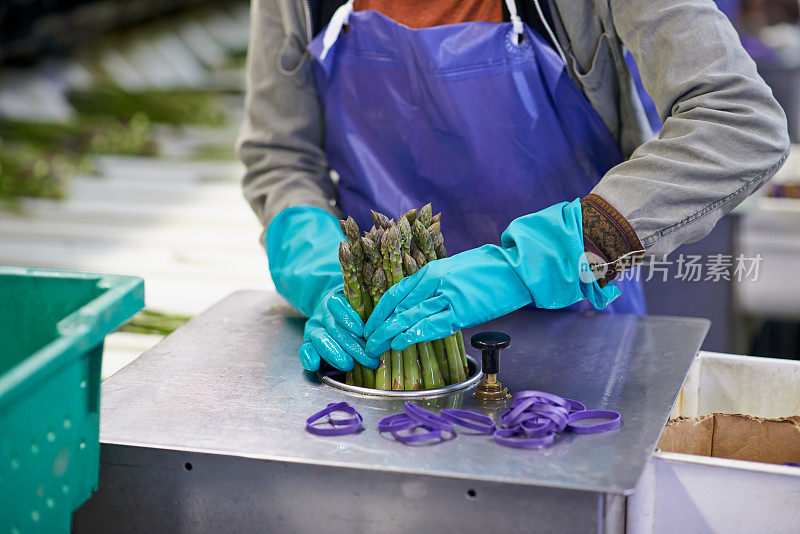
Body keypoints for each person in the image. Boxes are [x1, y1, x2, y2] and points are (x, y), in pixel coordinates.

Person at [238, 0, 789, 372]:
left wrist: (536, 259)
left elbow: (740, 123)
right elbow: (279, 155)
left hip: (579, 331)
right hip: (385, 347)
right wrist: (318, 269)